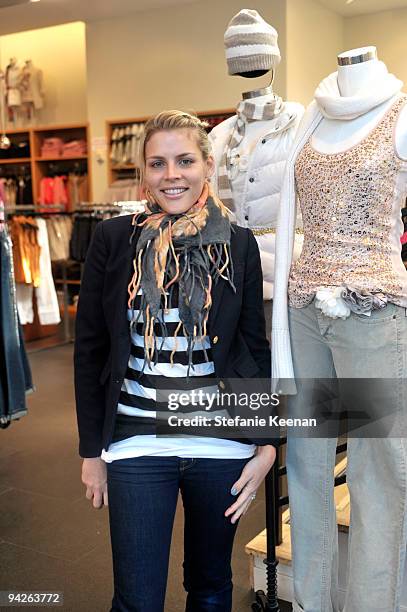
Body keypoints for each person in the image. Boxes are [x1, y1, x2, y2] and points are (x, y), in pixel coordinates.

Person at [74, 110, 277, 612]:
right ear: (143, 172)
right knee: (137, 598)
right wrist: (91, 452)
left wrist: (268, 443)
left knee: (210, 587)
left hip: (221, 443)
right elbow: (91, 349)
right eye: (158, 163)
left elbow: (253, 347)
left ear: (207, 165)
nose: (172, 175)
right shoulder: (112, 240)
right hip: (136, 440)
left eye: (185, 161)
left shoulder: (239, 243)